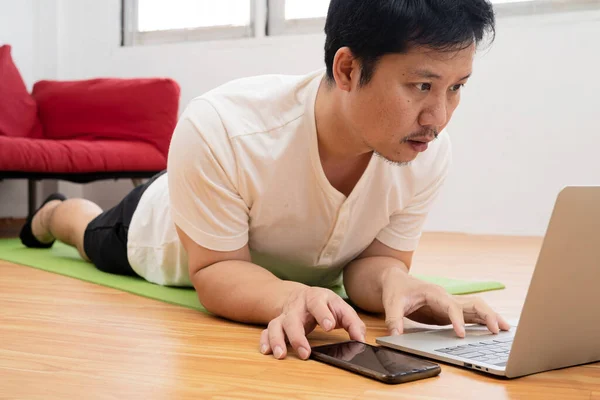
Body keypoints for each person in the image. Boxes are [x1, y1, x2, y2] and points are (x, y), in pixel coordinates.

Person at [19, 0, 510, 361]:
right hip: (157, 226)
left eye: (457, 88)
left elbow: (373, 263)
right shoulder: (222, 127)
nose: (439, 116)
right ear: (347, 68)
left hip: (248, 227)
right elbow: (214, 273)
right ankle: (55, 211)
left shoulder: (424, 150)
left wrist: (400, 284)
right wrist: (286, 296)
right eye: (422, 86)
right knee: (89, 233)